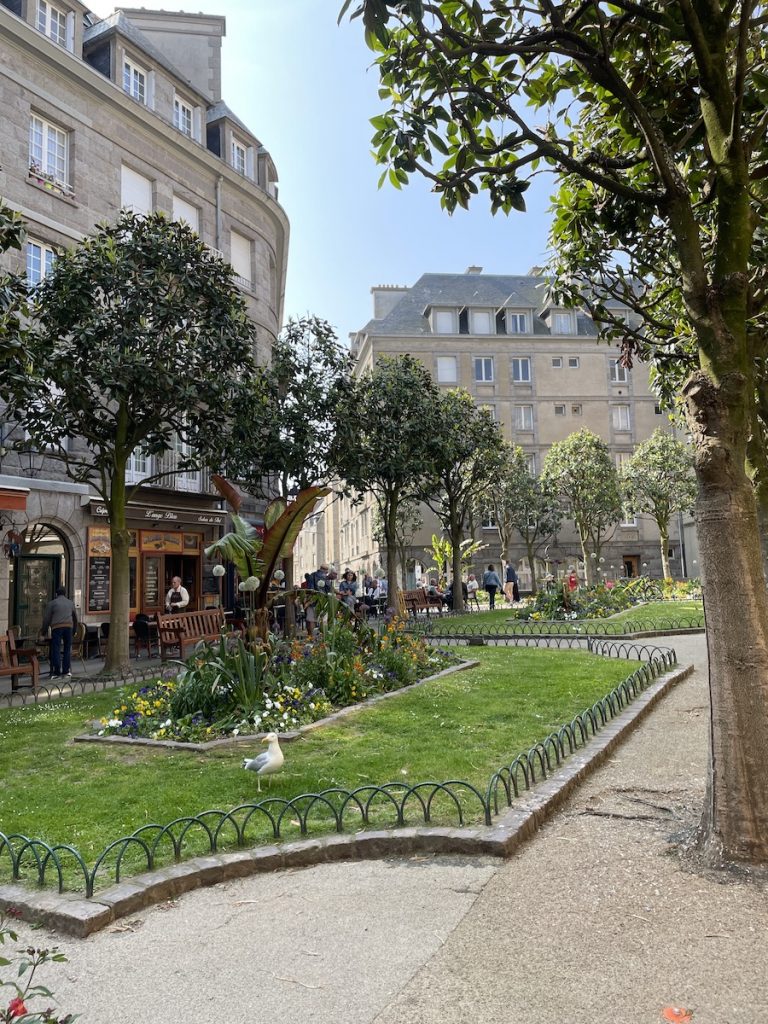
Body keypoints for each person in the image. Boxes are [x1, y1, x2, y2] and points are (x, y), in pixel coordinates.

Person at [41, 585, 77, 679]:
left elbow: (46, 619)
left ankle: (56, 672)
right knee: (67, 649)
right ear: (65, 594)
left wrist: (43, 632)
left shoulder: (52, 603)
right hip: (69, 627)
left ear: (56, 594)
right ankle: (66, 671)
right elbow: (75, 618)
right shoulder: (70, 603)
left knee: (56, 649)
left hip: (57, 627)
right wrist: (74, 631)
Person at [304, 563, 329, 636]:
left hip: (312, 601)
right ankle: (324, 638)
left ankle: (313, 638)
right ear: (325, 570)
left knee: (312, 620)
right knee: (323, 620)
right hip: (323, 601)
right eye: (327, 571)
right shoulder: (326, 577)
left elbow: (310, 590)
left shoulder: (312, 575)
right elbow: (329, 589)